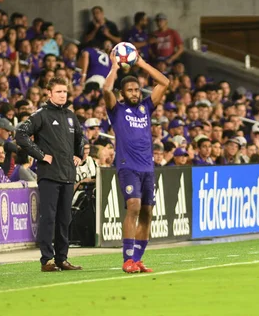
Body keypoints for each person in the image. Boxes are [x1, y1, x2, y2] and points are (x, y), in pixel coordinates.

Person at [103, 51, 169, 273]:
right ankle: (127, 259)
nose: (134, 92)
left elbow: (164, 82)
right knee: (134, 207)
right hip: (127, 166)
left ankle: (138, 259)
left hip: (147, 168)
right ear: (121, 93)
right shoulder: (116, 109)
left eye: (136, 89)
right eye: (129, 90)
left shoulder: (146, 108)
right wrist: (114, 67)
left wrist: (141, 62)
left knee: (147, 213)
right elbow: (105, 89)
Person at [16, 77, 87, 272]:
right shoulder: (41, 115)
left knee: (65, 218)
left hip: (67, 175)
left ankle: (62, 259)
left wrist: (78, 155)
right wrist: (40, 155)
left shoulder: (71, 116)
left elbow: (81, 138)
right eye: (58, 91)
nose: (62, 95)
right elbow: (20, 133)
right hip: (49, 175)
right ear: (49, 93)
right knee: (49, 217)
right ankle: (46, 260)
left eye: (65, 91)